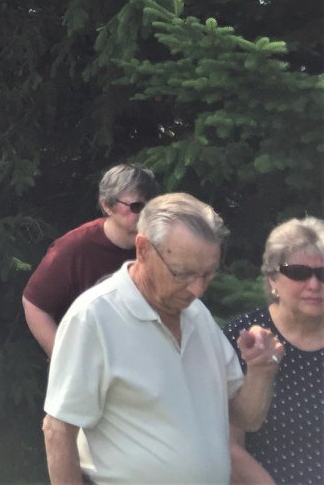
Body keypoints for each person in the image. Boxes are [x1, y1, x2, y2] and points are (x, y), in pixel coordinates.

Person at [43, 192, 284, 485]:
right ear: (143, 249)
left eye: (208, 275)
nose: (197, 289)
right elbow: (58, 430)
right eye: (182, 273)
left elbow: (246, 418)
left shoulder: (197, 315)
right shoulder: (95, 317)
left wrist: (260, 369)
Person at [223, 217, 323, 485]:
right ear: (272, 280)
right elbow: (227, 443)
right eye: (299, 273)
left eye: (323, 274)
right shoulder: (241, 337)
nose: (314, 284)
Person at [22, 164, 159, 356]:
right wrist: (66, 361)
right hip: (88, 359)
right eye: (136, 206)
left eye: (150, 206)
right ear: (106, 205)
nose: (144, 214)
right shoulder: (74, 248)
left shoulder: (159, 245)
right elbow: (35, 305)